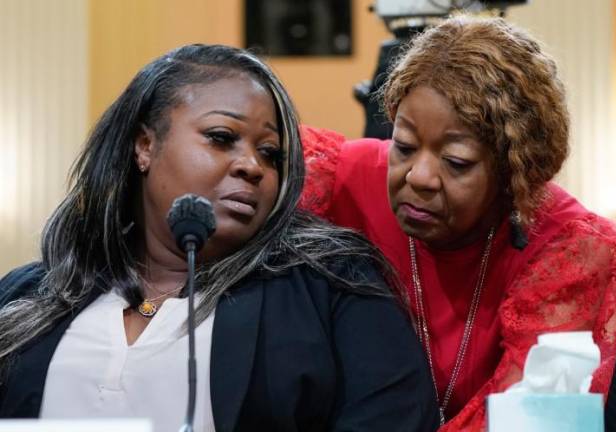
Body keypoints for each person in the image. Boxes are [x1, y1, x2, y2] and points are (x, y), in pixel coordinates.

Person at [0, 44, 438, 431]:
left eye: (270, 154)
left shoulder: (332, 288)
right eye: (221, 138)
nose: (253, 166)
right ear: (144, 146)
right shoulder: (25, 297)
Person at [299, 15, 616, 431]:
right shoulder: (343, 179)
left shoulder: (566, 247)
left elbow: (527, 420)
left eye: (456, 162)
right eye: (403, 146)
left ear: (515, 174)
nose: (417, 176)